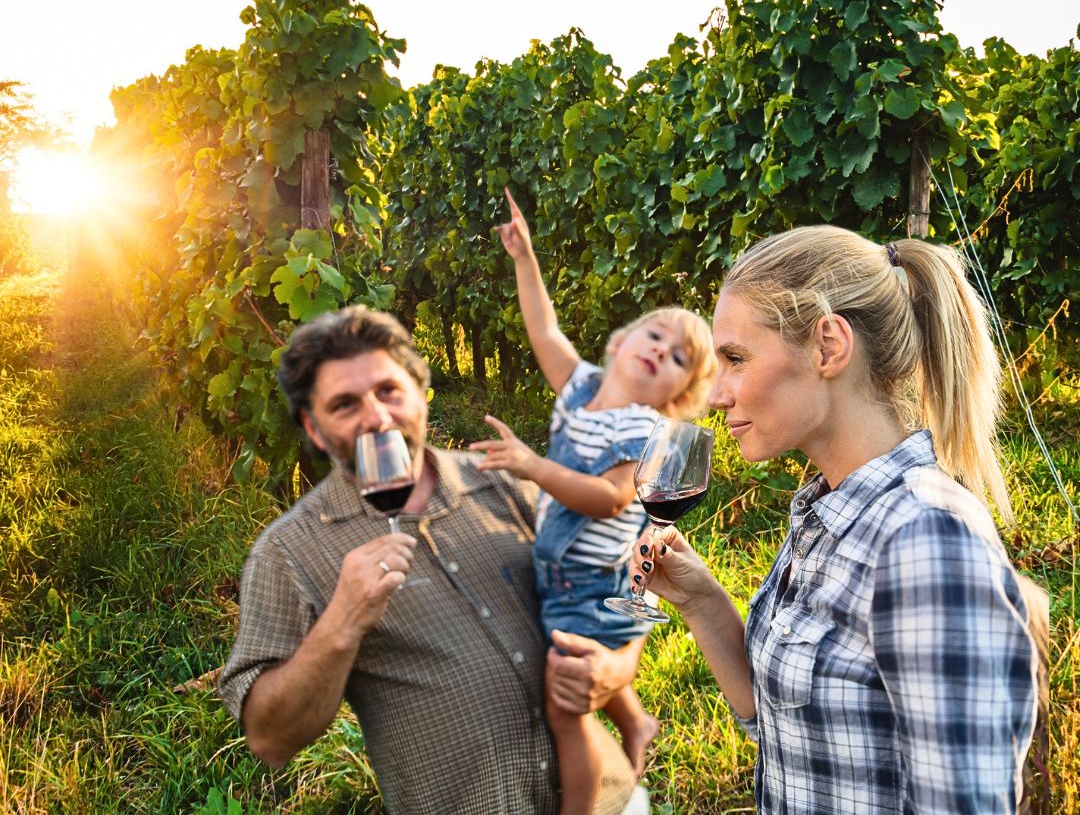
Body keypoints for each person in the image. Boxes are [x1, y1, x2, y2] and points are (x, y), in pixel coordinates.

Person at [632, 226, 1041, 815]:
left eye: (736, 359)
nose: (717, 394)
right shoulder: (826, 514)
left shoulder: (924, 540)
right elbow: (780, 731)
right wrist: (699, 600)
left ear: (828, 347)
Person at [218, 305, 651, 815]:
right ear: (315, 430)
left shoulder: (507, 481)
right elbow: (270, 739)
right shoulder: (289, 551)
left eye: (388, 391)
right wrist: (343, 621)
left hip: (609, 801)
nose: (376, 416)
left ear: (421, 395)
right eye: (344, 405)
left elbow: (615, 586)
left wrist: (617, 669)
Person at [469, 192, 716, 815]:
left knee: (564, 701)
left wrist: (533, 465)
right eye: (655, 334)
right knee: (575, 664)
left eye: (677, 358)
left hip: (599, 583)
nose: (660, 349)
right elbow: (542, 329)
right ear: (621, 340)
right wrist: (525, 259)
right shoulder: (579, 388)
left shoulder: (640, 431)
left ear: (676, 395)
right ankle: (636, 724)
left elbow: (609, 499)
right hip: (563, 573)